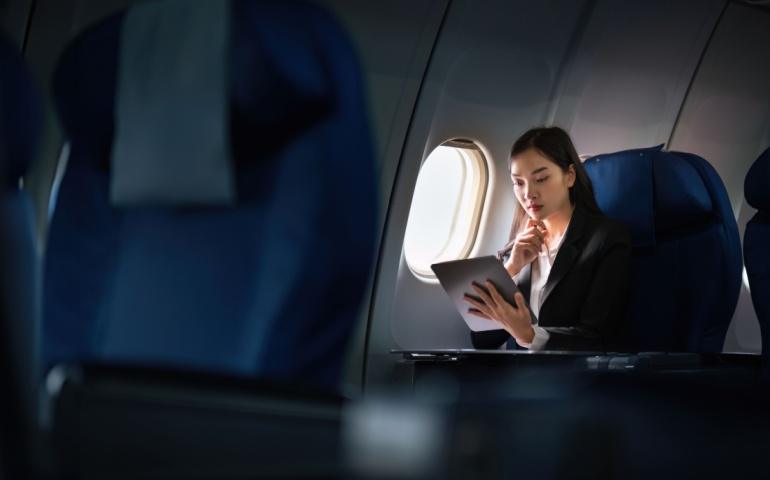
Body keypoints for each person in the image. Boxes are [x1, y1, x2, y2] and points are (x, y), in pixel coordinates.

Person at [465, 126, 632, 351]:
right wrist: (510, 269)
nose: (528, 193)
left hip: (571, 371)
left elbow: (597, 338)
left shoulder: (606, 239)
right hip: (519, 370)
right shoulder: (516, 249)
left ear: (569, 176)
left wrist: (530, 335)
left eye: (541, 179)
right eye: (519, 182)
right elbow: (483, 340)